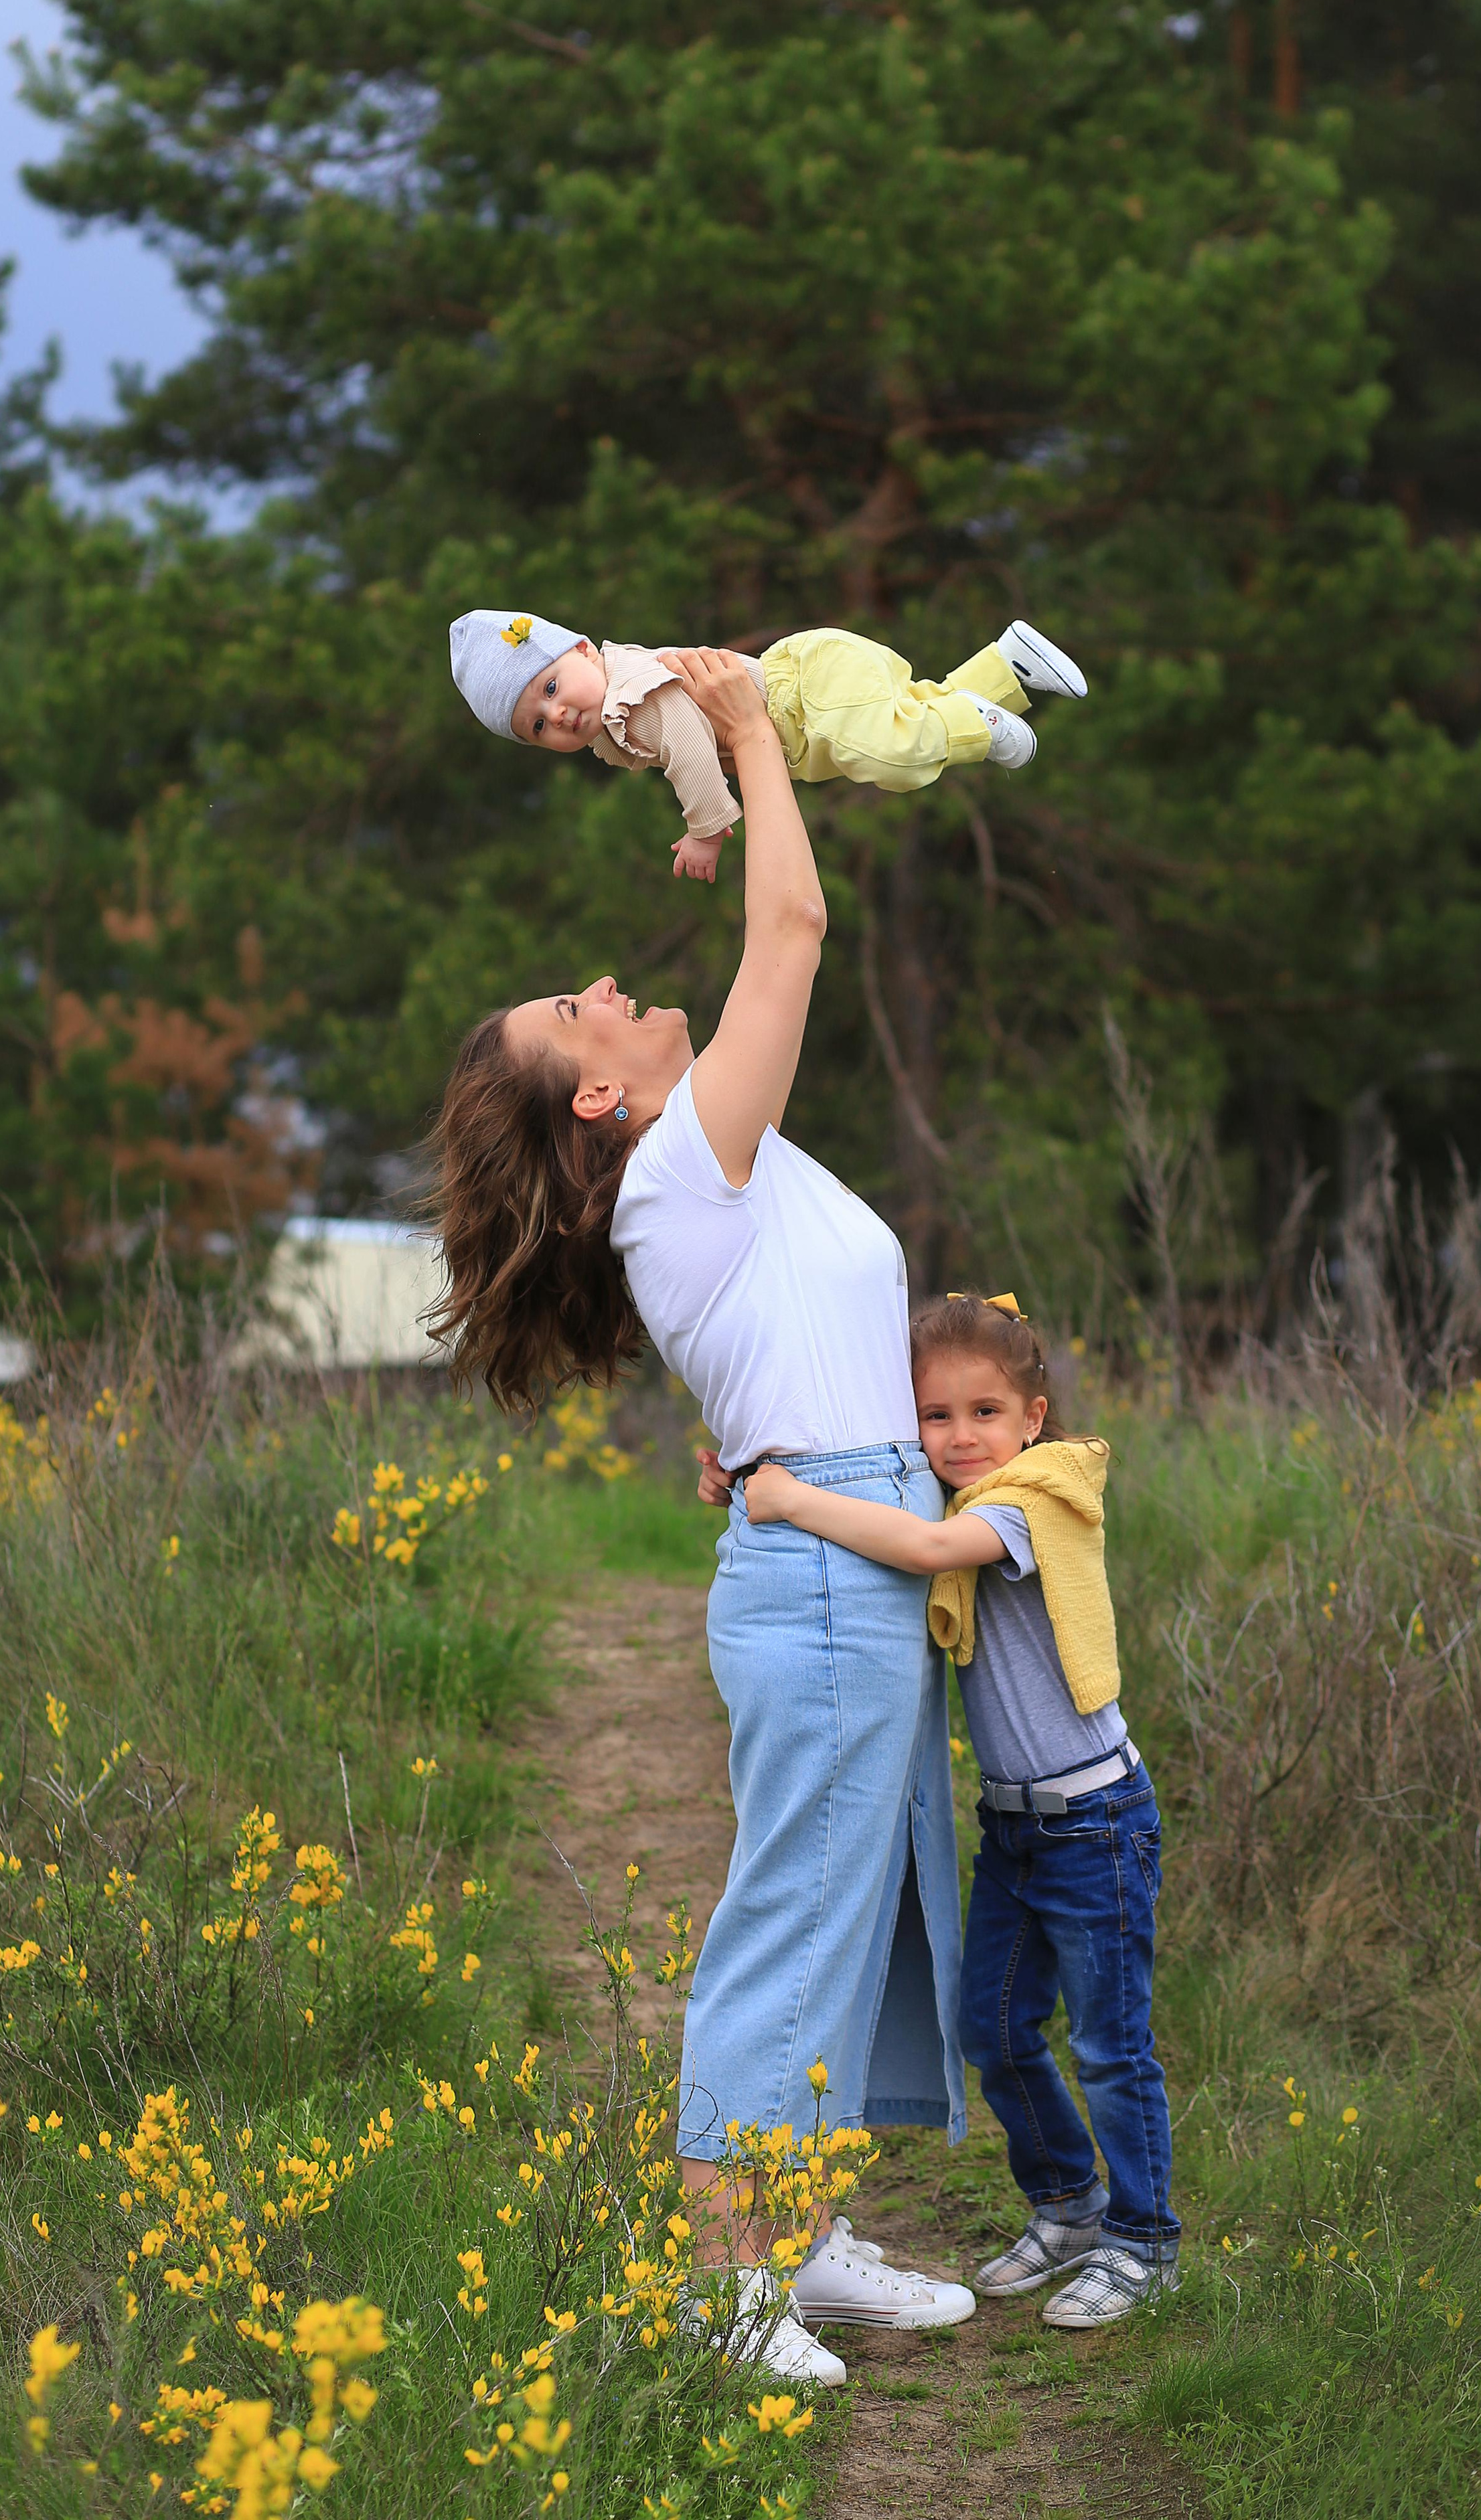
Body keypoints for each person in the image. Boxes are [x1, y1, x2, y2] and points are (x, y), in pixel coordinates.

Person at [429, 647, 977, 2388]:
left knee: (851, 1910)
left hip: (838, 1547)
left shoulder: (707, 1171)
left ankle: (802, 2240)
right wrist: (741, 730)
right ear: (600, 1096)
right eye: (579, 1011)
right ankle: (717, 2282)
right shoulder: (680, 1163)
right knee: (790, 1918)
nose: (604, 985)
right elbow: (793, 936)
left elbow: (791, 1352)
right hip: (824, 1585)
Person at [710, 1290, 1180, 2326]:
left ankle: (1145, 2243)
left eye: (985, 1413)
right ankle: (1068, 2206)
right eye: (936, 1417)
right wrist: (743, 1479)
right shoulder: (954, 1493)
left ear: (1033, 1420)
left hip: (1097, 1821)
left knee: (1112, 2043)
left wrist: (786, 1501)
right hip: (1015, 1825)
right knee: (996, 2030)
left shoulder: (1034, 1502)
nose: (960, 1437)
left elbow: (918, 1553)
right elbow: (868, 1500)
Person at [447, 608, 1087, 880]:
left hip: (803, 692)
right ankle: (1010, 668)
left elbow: (691, 749)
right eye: (537, 723)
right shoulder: (612, 700)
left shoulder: (630, 699)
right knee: (914, 711)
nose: (559, 713)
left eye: (554, 685)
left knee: (889, 757)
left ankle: (983, 726)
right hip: (804, 705)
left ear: (585, 649)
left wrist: (705, 829)